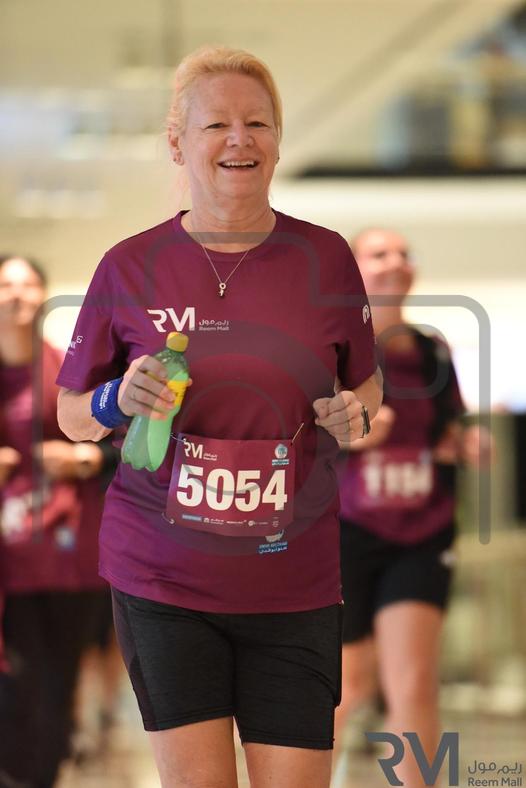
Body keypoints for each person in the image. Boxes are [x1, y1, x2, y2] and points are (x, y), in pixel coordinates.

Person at [56, 46, 382, 788]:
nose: (241, 139)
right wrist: (116, 398)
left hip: (294, 580)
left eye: (258, 122)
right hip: (162, 578)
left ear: (278, 140)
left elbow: (366, 386)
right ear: (178, 144)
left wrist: (353, 414)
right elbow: (73, 414)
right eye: (217, 125)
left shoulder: (326, 259)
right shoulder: (128, 266)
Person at [334, 228, 491, 787]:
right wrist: (352, 432)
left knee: (415, 683)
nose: (396, 262)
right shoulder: (334, 349)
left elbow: (447, 431)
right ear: (353, 271)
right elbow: (299, 436)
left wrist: (466, 444)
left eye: (404, 254)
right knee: (348, 684)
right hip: (346, 531)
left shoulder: (432, 351)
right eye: (380, 254)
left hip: (422, 532)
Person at [0, 255, 117, 787]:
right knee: (17, 676)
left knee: (58, 676)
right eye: (6, 284)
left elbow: (123, 441)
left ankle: (41, 774)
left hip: (68, 545)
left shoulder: (71, 370)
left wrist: (83, 458)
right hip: (8, 553)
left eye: (28, 284)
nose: (16, 294)